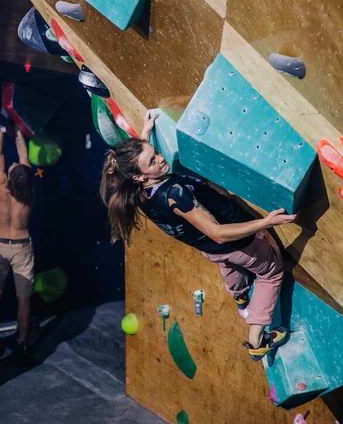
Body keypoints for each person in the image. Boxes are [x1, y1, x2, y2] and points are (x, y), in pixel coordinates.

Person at [101, 111, 297, 361]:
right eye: (153, 161)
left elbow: (138, 162)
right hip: (234, 242)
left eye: (156, 153)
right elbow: (218, 233)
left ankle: (240, 297)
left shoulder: (138, 191)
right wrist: (265, 222)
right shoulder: (175, 193)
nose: (161, 159)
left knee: (227, 262)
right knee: (271, 272)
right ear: (139, 176)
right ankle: (257, 340)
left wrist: (146, 131)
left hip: (209, 250)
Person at [0, 127, 35, 364]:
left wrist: (1, 132)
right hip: (22, 248)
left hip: (0, 246)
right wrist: (19, 133)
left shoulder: (0, 189)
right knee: (24, 299)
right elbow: (23, 160)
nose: (14, 164)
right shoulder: (28, 192)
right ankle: (22, 344)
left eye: (14, 167)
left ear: (11, 177)